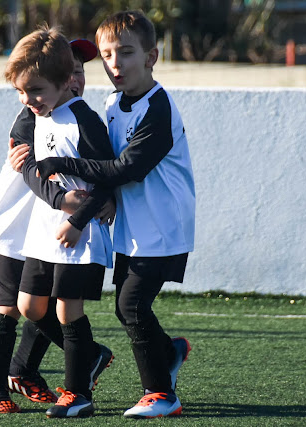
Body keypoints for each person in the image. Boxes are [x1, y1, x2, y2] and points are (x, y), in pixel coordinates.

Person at [36, 10, 195, 418]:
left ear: (151, 56)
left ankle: (161, 393)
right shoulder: (111, 104)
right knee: (128, 305)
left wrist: (64, 165)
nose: (115, 63)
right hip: (131, 229)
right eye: (108, 55)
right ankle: (169, 351)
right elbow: (108, 166)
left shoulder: (158, 108)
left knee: (131, 305)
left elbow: (126, 168)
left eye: (126, 52)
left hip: (162, 228)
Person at [0, 38, 113, 414]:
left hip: (51, 230)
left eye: (84, 71)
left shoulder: (79, 117)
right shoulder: (32, 115)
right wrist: (63, 201)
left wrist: (100, 201)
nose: (80, 78)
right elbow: (31, 167)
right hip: (13, 227)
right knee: (11, 306)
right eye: (23, 90)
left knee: (49, 305)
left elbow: (104, 172)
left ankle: (39, 374)